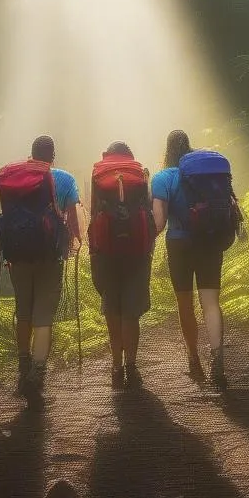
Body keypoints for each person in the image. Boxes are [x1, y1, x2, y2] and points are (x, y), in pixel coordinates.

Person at [4, 134, 84, 405]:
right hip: (50, 257)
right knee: (43, 316)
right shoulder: (64, 179)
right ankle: (37, 375)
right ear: (53, 156)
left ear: (32, 153)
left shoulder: (14, 176)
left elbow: (5, 215)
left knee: (23, 310)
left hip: (18, 255)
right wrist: (77, 241)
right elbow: (73, 216)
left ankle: (22, 368)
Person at [150, 129, 228, 390]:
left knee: (185, 304)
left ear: (167, 150)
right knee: (211, 303)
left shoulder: (163, 178)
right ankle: (217, 360)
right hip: (209, 242)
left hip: (179, 244)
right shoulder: (207, 174)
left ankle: (194, 359)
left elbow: (159, 223)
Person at [87, 141, 156, 391]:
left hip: (106, 252)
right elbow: (148, 214)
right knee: (131, 310)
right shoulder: (139, 172)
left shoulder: (97, 173)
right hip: (136, 252)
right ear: (129, 155)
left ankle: (116, 367)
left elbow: (93, 214)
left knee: (112, 308)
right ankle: (131, 366)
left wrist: (93, 251)